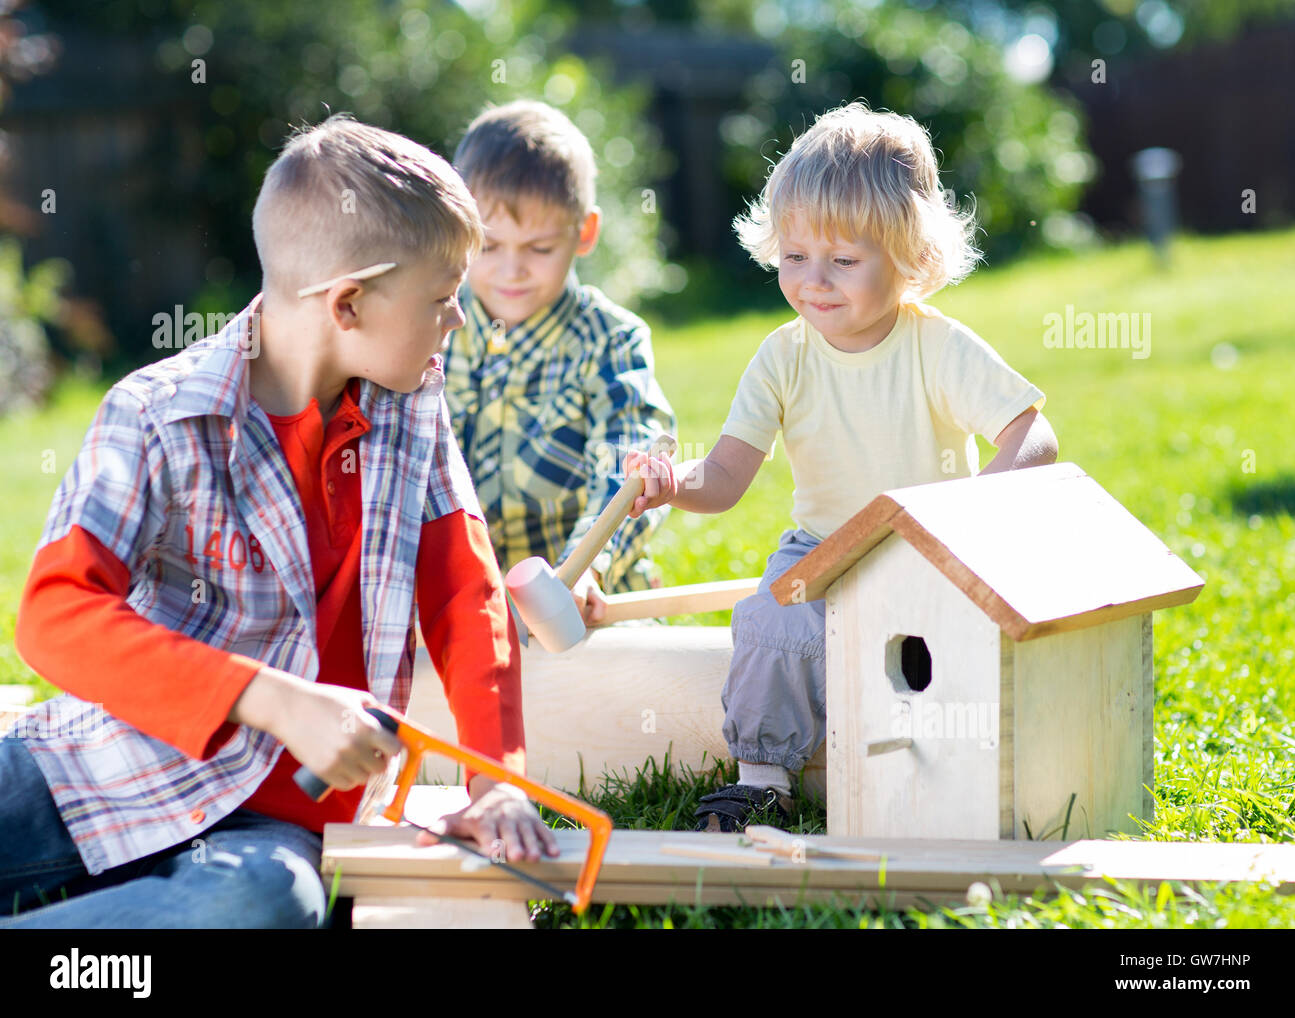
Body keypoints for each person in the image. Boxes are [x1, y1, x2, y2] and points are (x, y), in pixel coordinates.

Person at [1, 114, 557, 929]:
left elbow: (462, 595)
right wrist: (272, 700)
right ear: (350, 303)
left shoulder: (416, 411)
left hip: (275, 825)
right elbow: (57, 618)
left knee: (266, 903)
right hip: (108, 764)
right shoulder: (159, 413)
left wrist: (495, 778)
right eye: (442, 299)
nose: (458, 321)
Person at [626, 102, 1060, 832]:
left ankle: (935, 770)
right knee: (770, 620)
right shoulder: (782, 356)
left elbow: (1033, 433)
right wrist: (675, 484)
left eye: (844, 261)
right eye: (794, 257)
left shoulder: (937, 347)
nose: (814, 282)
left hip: (923, 548)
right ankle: (764, 778)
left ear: (910, 258)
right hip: (823, 547)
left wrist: (977, 511)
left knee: (932, 657)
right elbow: (727, 476)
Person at [444, 100, 676, 624]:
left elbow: (628, 456)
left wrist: (582, 567)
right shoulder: (432, 331)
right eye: (490, 245)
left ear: (584, 232)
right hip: (465, 613)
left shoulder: (609, 340)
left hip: (587, 607)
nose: (512, 270)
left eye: (540, 248)